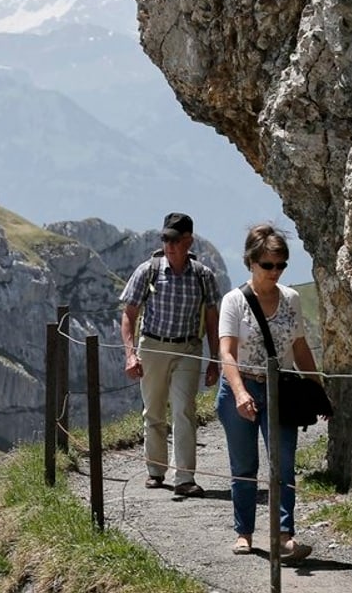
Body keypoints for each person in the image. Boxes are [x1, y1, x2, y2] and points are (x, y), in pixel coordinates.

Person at [217, 223, 321, 561]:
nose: (275, 271)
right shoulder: (234, 302)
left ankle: (284, 536)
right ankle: (244, 533)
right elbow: (227, 352)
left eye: (281, 265)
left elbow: (300, 346)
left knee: (284, 464)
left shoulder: (290, 300)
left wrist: (317, 387)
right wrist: (239, 393)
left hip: (280, 390)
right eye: (268, 265)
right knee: (244, 464)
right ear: (251, 262)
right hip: (242, 385)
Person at [121, 212, 221, 497]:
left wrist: (214, 360)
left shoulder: (204, 276)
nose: (170, 245)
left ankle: (185, 477)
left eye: (175, 240)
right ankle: (155, 470)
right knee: (153, 410)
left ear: (188, 241)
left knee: (184, 410)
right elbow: (129, 313)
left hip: (188, 349)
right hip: (152, 346)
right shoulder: (148, 270)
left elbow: (213, 320)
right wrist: (131, 354)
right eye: (165, 239)